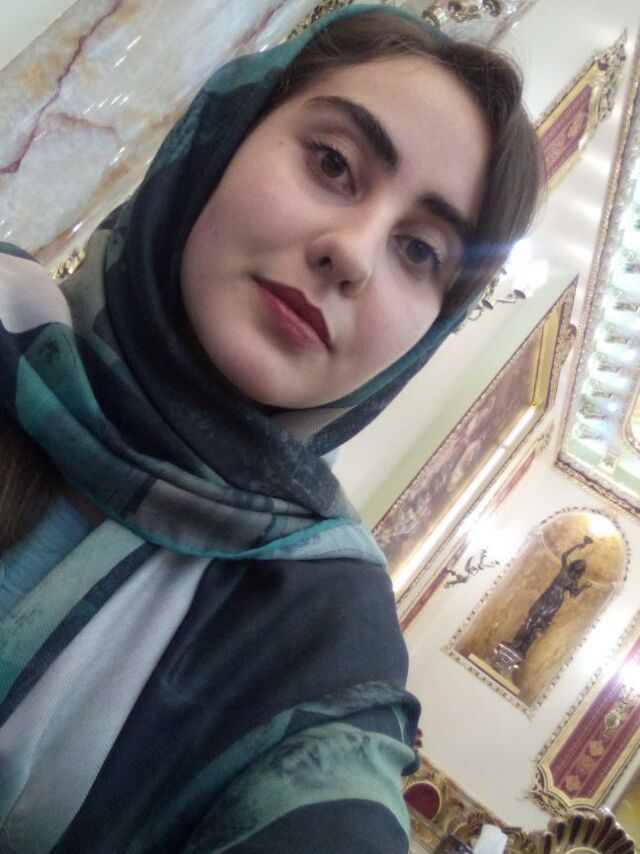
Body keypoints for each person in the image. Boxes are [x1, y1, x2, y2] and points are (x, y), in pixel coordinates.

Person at [0, 3, 542, 851]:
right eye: (333, 163)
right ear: (225, 138)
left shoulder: (320, 637)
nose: (353, 252)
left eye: (421, 251)